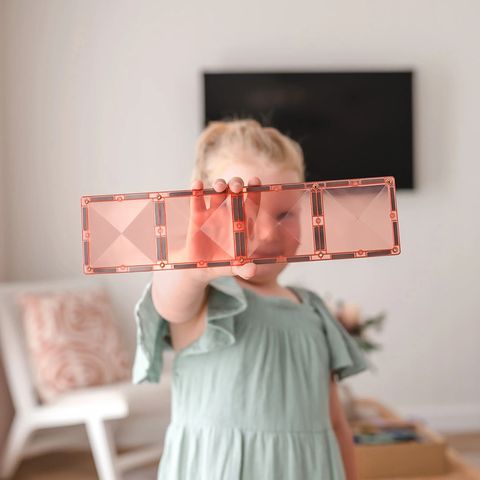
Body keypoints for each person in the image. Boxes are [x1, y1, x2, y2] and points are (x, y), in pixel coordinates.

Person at [132, 119, 368, 479]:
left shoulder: (313, 310)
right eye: (247, 213)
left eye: (285, 213)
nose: (269, 232)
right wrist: (196, 266)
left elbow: (335, 423)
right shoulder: (208, 294)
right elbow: (169, 300)